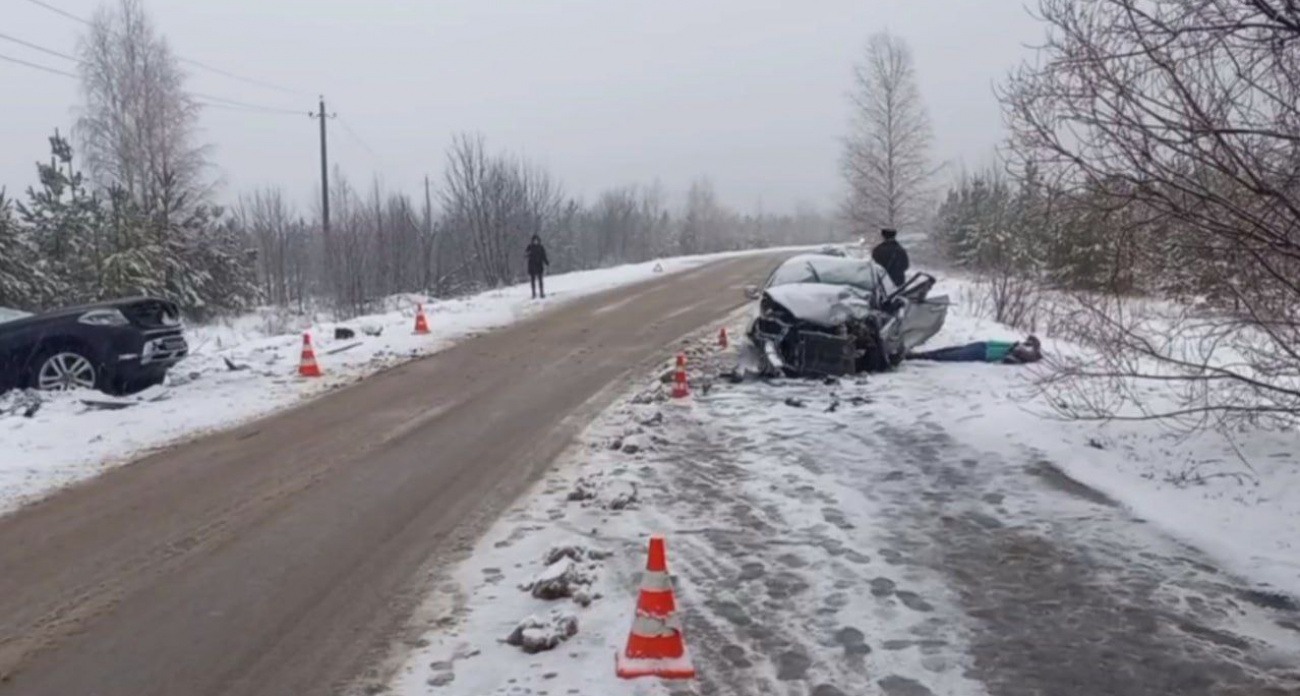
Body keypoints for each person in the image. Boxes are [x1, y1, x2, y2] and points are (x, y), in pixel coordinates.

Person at [909, 335, 1043, 364]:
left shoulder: (1014, 356)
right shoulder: (1015, 345)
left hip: (981, 353)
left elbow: (1007, 360)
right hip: (982, 346)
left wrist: (1015, 351)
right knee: (948, 350)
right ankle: (919, 355)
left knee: (949, 355)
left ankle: (918, 357)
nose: (1024, 346)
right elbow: (1032, 339)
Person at [526, 235, 550, 299]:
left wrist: (546, 262)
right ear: (532, 241)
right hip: (532, 266)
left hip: (539, 265)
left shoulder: (541, 247)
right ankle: (533, 293)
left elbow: (543, 255)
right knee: (533, 281)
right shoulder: (530, 247)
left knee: (540, 280)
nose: (535, 242)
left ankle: (541, 293)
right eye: (534, 240)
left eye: (536, 240)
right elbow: (525, 254)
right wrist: (528, 253)